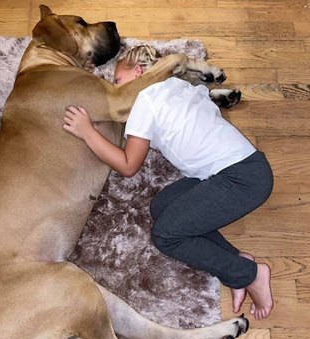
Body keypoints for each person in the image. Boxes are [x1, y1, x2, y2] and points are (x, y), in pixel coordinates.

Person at [63, 44, 274, 320]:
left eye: (117, 80)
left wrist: (87, 131)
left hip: (240, 178)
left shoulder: (144, 100)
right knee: (162, 207)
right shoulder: (180, 86)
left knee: (165, 236)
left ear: (138, 72)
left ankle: (249, 275)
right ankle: (238, 263)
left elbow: (128, 166)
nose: (115, 89)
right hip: (239, 170)